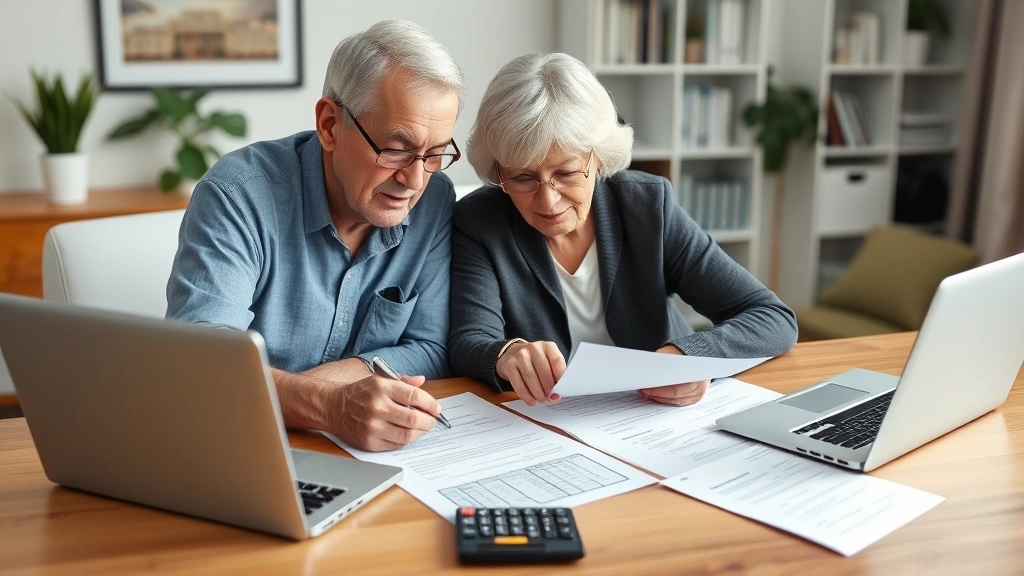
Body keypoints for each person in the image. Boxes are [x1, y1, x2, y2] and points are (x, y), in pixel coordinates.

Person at [167, 20, 466, 451]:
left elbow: (432, 349)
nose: (415, 179)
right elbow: (204, 364)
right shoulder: (236, 196)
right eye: (396, 148)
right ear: (329, 125)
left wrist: (318, 388)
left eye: (436, 152)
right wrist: (330, 406)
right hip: (239, 445)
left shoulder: (435, 198)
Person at [449, 53, 798, 407]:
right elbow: (468, 340)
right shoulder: (480, 222)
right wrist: (507, 354)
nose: (549, 201)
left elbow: (771, 317)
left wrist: (692, 357)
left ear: (597, 157)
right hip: (556, 421)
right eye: (523, 177)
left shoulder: (647, 207)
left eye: (567, 173)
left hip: (657, 414)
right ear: (499, 171)